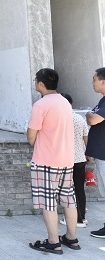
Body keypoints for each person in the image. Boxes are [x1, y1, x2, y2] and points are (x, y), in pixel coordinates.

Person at [27, 68, 79, 254]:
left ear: (41, 84)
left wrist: (37, 144)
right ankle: (71, 238)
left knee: (48, 202)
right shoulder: (65, 102)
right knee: (68, 199)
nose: (35, 83)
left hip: (46, 160)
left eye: (36, 80)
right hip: (66, 159)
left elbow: (31, 135)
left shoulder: (41, 105)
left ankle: (53, 242)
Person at [59, 93, 89, 229]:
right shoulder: (79, 118)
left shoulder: (59, 119)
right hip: (80, 158)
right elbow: (86, 137)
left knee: (67, 189)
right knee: (79, 188)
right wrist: (88, 154)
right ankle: (82, 218)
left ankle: (71, 218)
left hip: (65, 159)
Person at [86, 67, 105, 239]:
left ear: (103, 82)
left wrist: (88, 113)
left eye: (94, 79)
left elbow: (93, 119)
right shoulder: (102, 101)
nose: (92, 82)